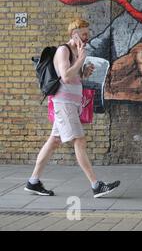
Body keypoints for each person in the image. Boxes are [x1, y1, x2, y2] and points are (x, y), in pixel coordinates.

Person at [25, 18, 120, 198]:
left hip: (72, 104)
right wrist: (81, 60)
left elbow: (74, 77)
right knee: (79, 141)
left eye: (87, 33)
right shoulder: (63, 50)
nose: (87, 37)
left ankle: (33, 182)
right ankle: (96, 185)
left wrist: (84, 72)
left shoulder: (76, 52)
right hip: (64, 104)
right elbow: (66, 77)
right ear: (74, 34)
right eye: (84, 34)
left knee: (54, 141)